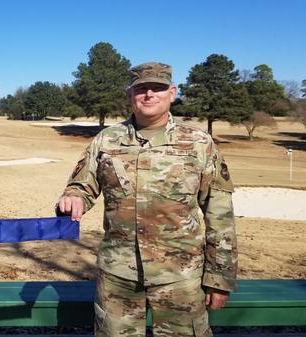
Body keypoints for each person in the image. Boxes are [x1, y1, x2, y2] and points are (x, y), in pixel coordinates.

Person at [57, 62, 237, 337]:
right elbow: (82, 185)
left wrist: (219, 278)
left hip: (181, 277)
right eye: (141, 89)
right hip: (119, 277)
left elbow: (219, 213)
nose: (149, 94)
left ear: (172, 93)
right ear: (130, 95)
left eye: (158, 88)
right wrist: (73, 197)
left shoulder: (200, 144)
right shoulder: (106, 141)